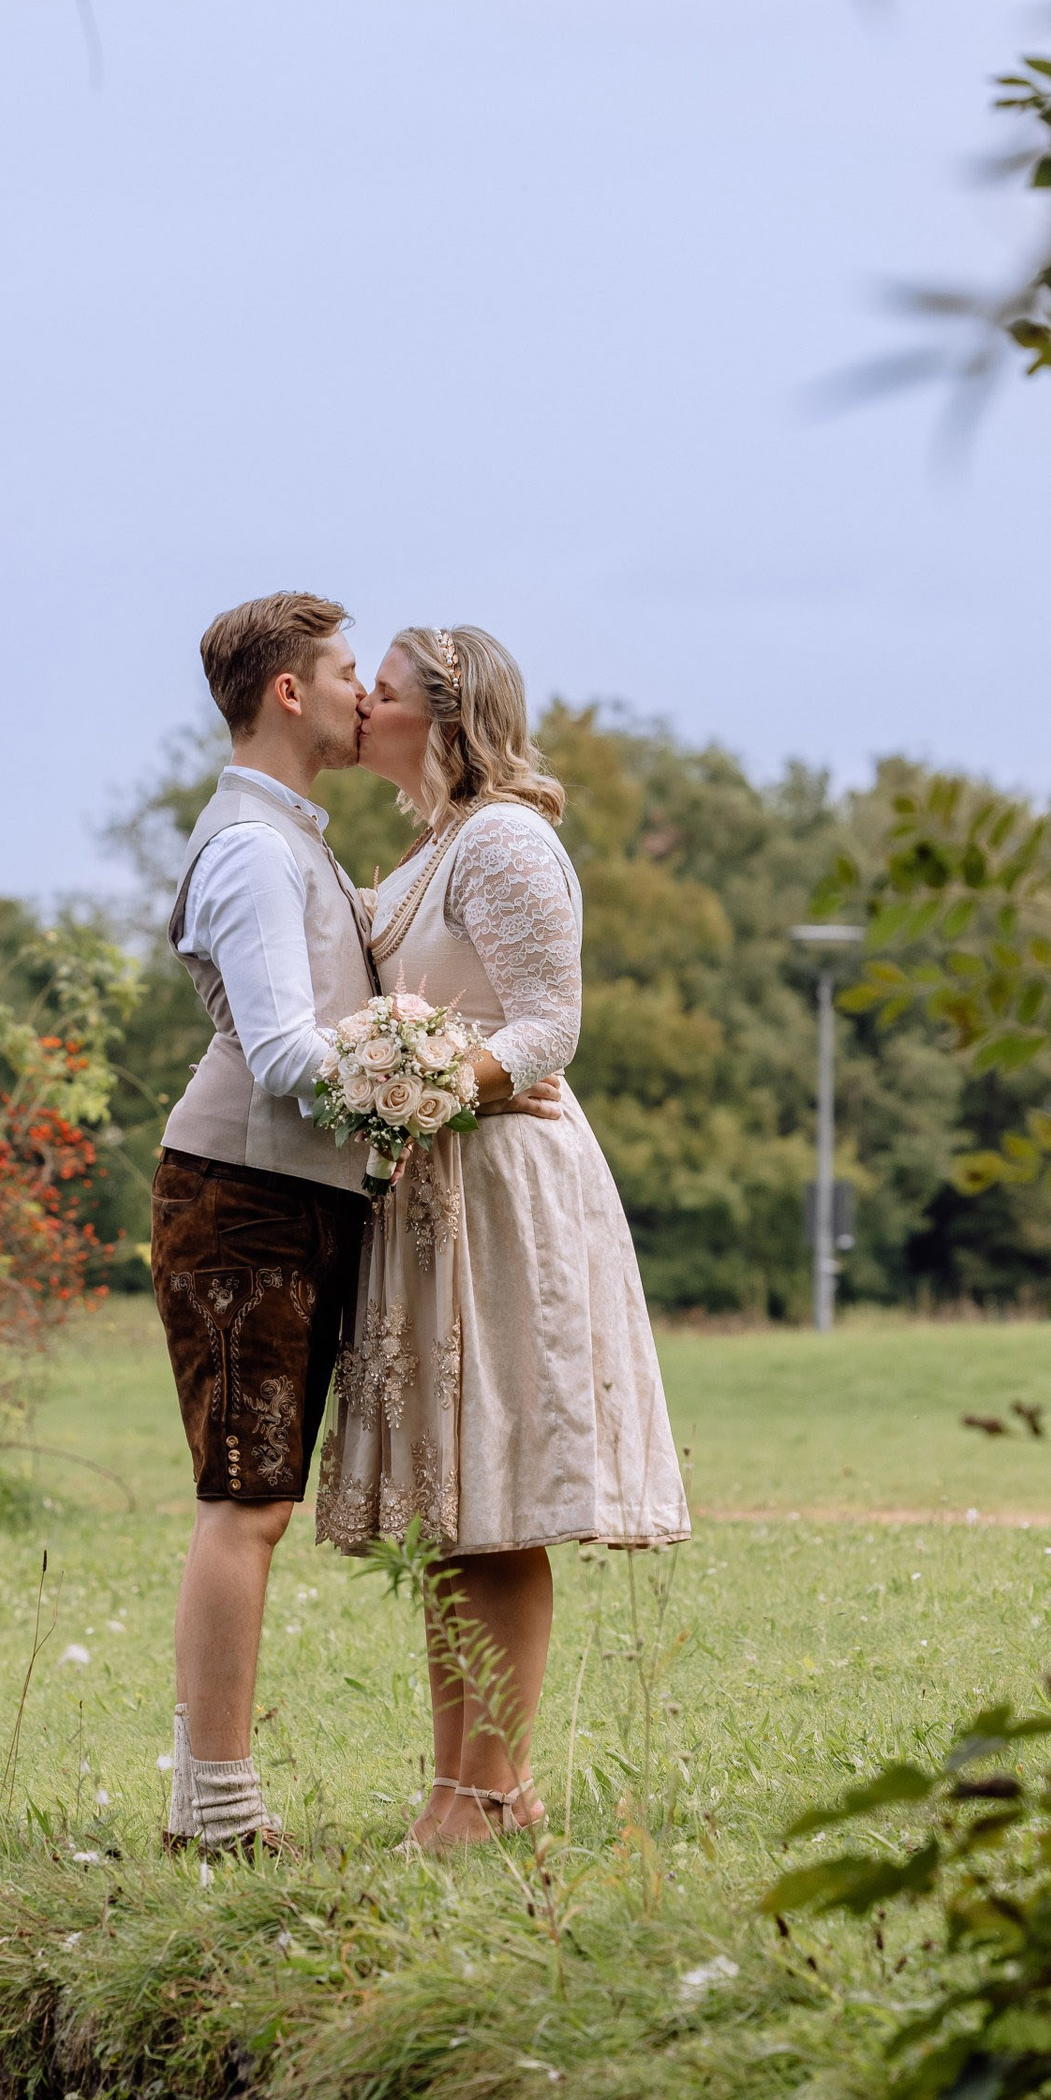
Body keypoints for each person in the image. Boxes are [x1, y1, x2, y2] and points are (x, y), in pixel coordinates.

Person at [151, 591, 556, 1855]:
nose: (359, 696)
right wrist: (441, 1081)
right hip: (241, 1198)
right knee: (246, 1496)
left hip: (301, 1194)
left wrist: (445, 1082)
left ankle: (444, 1793)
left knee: (259, 1495)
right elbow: (282, 1052)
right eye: (343, 673)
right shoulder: (254, 850)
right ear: (289, 692)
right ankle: (214, 1813)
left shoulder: (298, 839)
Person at [315, 626, 690, 1848]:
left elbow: (547, 1026)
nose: (359, 706)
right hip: (433, 1184)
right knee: (451, 1499)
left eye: (379, 692)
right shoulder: (431, 846)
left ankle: (488, 1791)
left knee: (499, 1493)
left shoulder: (505, 839)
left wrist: (429, 1085)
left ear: (444, 712)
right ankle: (469, 1787)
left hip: (503, 1185)